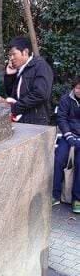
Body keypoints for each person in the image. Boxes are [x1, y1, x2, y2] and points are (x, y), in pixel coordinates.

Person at [4, 36, 53, 125]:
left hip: (36, 123)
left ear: (25, 52)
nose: (11, 58)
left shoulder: (40, 66)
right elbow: (12, 94)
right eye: (10, 55)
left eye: (13, 54)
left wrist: (15, 108)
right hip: (21, 121)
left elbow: (41, 94)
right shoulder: (21, 69)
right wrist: (10, 76)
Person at [52, 76, 80, 213]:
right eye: (78, 87)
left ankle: (77, 199)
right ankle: (55, 194)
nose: (79, 90)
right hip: (67, 136)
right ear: (74, 87)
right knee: (58, 159)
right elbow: (61, 119)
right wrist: (69, 136)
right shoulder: (66, 99)